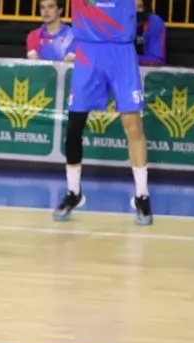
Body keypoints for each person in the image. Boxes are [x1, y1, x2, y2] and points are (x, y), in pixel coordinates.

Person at [57, 0, 152, 225]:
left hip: (121, 51)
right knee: (74, 127)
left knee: (133, 126)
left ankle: (142, 195)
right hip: (88, 51)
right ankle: (73, 192)